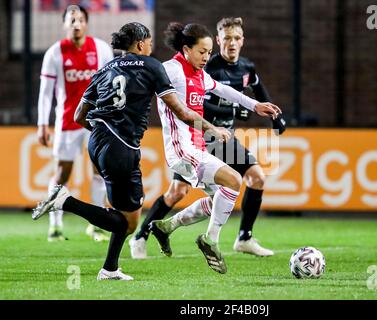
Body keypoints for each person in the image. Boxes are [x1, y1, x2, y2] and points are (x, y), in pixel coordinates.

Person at [32, 22, 231, 280]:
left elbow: (80, 115)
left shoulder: (104, 69)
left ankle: (110, 268)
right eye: (148, 42)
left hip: (97, 141)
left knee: (122, 212)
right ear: (140, 44)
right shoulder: (151, 66)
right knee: (129, 222)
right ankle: (64, 201)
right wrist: (212, 129)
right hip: (122, 147)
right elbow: (180, 111)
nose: (151, 46)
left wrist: (104, 135)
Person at [129, 22, 281, 273]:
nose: (206, 57)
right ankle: (211, 240)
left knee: (218, 199)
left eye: (209, 53)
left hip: (198, 146)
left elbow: (224, 90)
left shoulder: (200, 74)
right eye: (202, 52)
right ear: (186, 49)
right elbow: (153, 91)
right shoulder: (171, 70)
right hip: (182, 148)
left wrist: (256, 106)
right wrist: (212, 128)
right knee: (233, 181)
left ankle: (166, 226)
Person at [37, 5, 113, 242]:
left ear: (87, 23)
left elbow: (109, 86)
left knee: (99, 171)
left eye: (80, 20)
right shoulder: (55, 53)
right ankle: (55, 226)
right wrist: (42, 124)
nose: (76, 24)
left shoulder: (101, 49)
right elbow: (45, 93)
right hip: (67, 123)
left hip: (95, 123)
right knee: (62, 173)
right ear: (64, 24)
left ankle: (96, 225)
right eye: (72, 20)